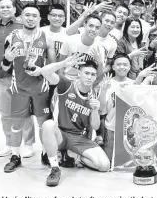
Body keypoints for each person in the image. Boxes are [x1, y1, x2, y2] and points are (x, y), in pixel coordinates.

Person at [1, 4, 56, 173]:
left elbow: (52, 66)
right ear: (21, 17)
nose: (31, 18)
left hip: (41, 88)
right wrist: (7, 60)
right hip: (19, 88)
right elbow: (4, 68)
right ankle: (15, 156)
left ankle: (46, 154)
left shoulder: (46, 38)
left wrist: (43, 73)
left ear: (39, 19)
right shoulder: (11, 38)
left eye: (34, 16)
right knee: (16, 125)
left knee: (43, 125)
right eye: (27, 15)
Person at [41, 58, 110, 187]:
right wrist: (62, 64)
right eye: (86, 73)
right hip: (61, 134)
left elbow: (95, 126)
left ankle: (76, 157)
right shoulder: (67, 85)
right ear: (79, 73)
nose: (89, 77)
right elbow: (44, 71)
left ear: (96, 77)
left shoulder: (95, 94)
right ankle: (55, 168)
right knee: (48, 125)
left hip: (80, 138)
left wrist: (95, 110)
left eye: (93, 74)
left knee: (104, 165)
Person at [0, 0, 36, 157]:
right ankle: (9, 143)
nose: (5, 9)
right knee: (5, 114)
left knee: (25, 112)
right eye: (2, 7)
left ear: (15, 10)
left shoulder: (22, 27)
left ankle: (28, 144)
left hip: (21, 77)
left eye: (9, 6)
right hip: (1, 77)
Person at [59, 15, 105, 83]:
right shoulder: (70, 40)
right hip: (67, 79)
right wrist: (62, 82)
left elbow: (99, 77)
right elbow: (60, 65)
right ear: (84, 25)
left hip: (85, 83)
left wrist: (100, 63)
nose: (93, 30)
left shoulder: (100, 49)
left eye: (97, 28)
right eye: (91, 26)